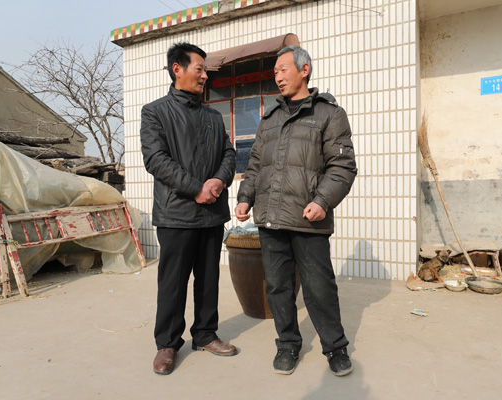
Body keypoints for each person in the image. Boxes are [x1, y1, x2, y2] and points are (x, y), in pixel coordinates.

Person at [235, 45, 357, 376]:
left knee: (319, 288)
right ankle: (288, 344)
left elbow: (342, 166)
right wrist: (245, 197)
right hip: (271, 217)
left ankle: (335, 347)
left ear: (304, 70)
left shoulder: (329, 114)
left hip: (308, 218)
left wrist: (322, 201)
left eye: (283, 69)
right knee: (278, 287)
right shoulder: (269, 118)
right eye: (274, 71)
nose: (277, 76)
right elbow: (255, 164)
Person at [141, 42, 238, 376]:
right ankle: (167, 344)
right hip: (176, 213)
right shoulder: (155, 112)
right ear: (177, 69)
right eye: (200, 69)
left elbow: (228, 153)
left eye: (205, 70)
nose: (205, 75)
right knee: (173, 281)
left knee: (209, 278)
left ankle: (206, 334)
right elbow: (156, 160)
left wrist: (218, 181)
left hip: (211, 213)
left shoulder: (213, 115)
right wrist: (196, 189)